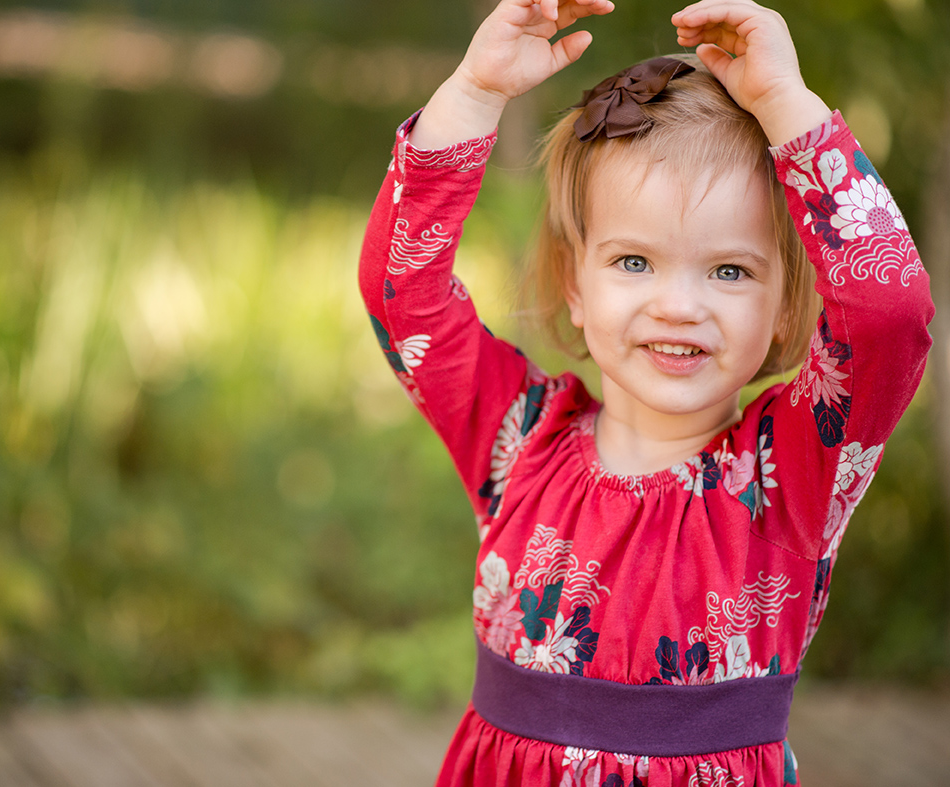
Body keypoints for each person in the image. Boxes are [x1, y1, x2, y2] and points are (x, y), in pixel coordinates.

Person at [357, 0, 934, 784]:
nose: (677, 305)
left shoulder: (789, 476)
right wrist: (474, 90)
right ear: (574, 285)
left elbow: (890, 311)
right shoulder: (517, 438)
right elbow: (402, 294)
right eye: (633, 262)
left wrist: (785, 106)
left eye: (729, 271)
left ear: (783, 311)